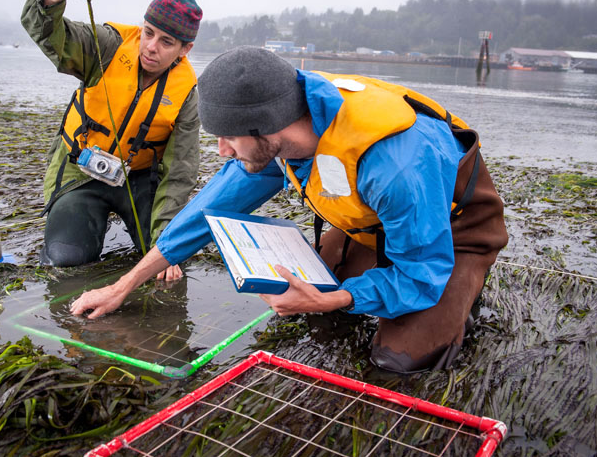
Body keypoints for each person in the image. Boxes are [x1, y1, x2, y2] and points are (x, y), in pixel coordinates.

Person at [71, 46, 509, 374]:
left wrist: (335, 298)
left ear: (266, 127)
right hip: (369, 223)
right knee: (322, 312)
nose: (221, 150)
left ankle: (465, 289)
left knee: (397, 359)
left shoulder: (392, 165)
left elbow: (420, 274)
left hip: (453, 232)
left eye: (227, 137)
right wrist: (124, 284)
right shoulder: (282, 135)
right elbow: (209, 210)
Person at [21, 0, 203, 275]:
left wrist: (164, 245)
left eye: (166, 41)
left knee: (168, 260)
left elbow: (179, 175)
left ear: (184, 49)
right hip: (82, 173)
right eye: (148, 33)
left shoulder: (186, 93)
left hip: (139, 181)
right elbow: (52, 37)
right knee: (64, 262)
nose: (150, 47)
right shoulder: (108, 45)